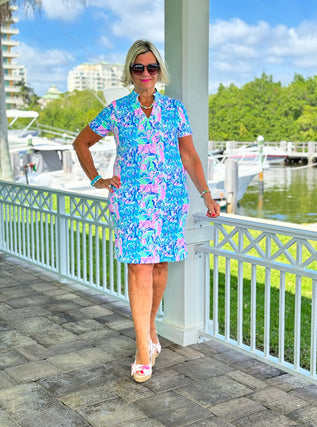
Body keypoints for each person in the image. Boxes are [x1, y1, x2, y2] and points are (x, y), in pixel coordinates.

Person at [73, 39, 220, 383]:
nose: (145, 74)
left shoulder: (175, 109)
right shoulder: (116, 110)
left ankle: (150, 328)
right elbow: (81, 142)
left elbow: (189, 156)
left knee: (157, 267)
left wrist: (207, 194)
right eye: (138, 68)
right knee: (139, 268)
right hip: (132, 202)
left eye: (151, 68)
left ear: (159, 72)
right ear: (130, 72)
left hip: (169, 200)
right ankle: (143, 348)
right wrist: (97, 178)